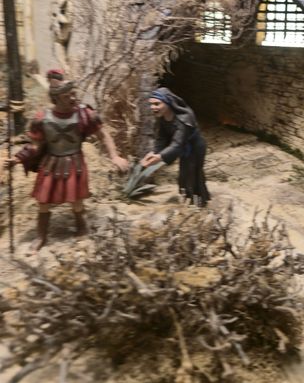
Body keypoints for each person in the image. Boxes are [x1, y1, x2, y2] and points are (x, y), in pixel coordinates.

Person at [7, 70, 129, 250]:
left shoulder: (85, 114)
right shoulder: (42, 118)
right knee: (43, 202)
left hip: (74, 163)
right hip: (51, 163)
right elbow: (35, 146)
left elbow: (103, 135)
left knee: (76, 200)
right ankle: (41, 236)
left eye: (73, 94)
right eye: (67, 96)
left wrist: (114, 155)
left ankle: (81, 227)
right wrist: (17, 159)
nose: (73, 98)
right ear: (56, 98)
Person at [140, 87, 210, 207]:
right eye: (151, 104)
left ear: (167, 102)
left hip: (195, 149)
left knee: (193, 175)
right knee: (184, 176)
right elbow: (161, 139)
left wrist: (160, 157)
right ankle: (188, 199)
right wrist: (154, 152)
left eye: (157, 104)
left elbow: (177, 144)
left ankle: (200, 203)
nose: (153, 107)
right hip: (184, 149)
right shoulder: (163, 119)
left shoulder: (184, 118)